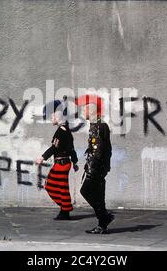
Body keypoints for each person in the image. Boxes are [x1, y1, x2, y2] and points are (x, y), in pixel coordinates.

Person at [75, 95, 114, 234]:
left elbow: (98, 151)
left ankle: (104, 216)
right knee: (99, 195)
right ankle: (102, 224)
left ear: (90, 110)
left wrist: (91, 169)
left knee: (85, 191)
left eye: (84, 109)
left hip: (96, 168)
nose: (82, 112)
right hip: (100, 167)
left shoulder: (97, 126)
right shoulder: (98, 124)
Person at [35, 100, 79, 220]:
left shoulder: (61, 131)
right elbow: (71, 148)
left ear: (59, 115)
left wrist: (42, 157)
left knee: (52, 185)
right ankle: (64, 210)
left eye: (52, 115)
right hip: (65, 163)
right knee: (60, 187)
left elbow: (54, 148)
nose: (51, 117)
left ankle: (65, 210)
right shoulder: (66, 130)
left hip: (61, 164)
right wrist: (75, 162)